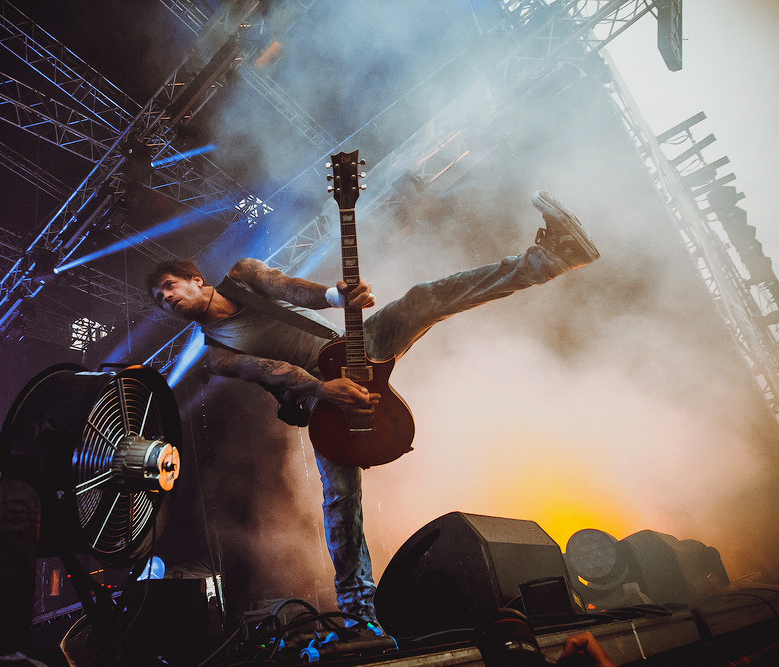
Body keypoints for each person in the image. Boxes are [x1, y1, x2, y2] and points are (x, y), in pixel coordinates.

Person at [145, 190, 600, 628]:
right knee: (340, 500)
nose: (167, 299)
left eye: (169, 286)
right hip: (322, 400)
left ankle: (550, 259)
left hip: (352, 348)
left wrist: (335, 298)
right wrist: (325, 392)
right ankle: (359, 614)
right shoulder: (216, 353)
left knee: (422, 298)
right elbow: (273, 371)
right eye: (160, 300)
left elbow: (288, 287)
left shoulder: (243, 274)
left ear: (196, 278)